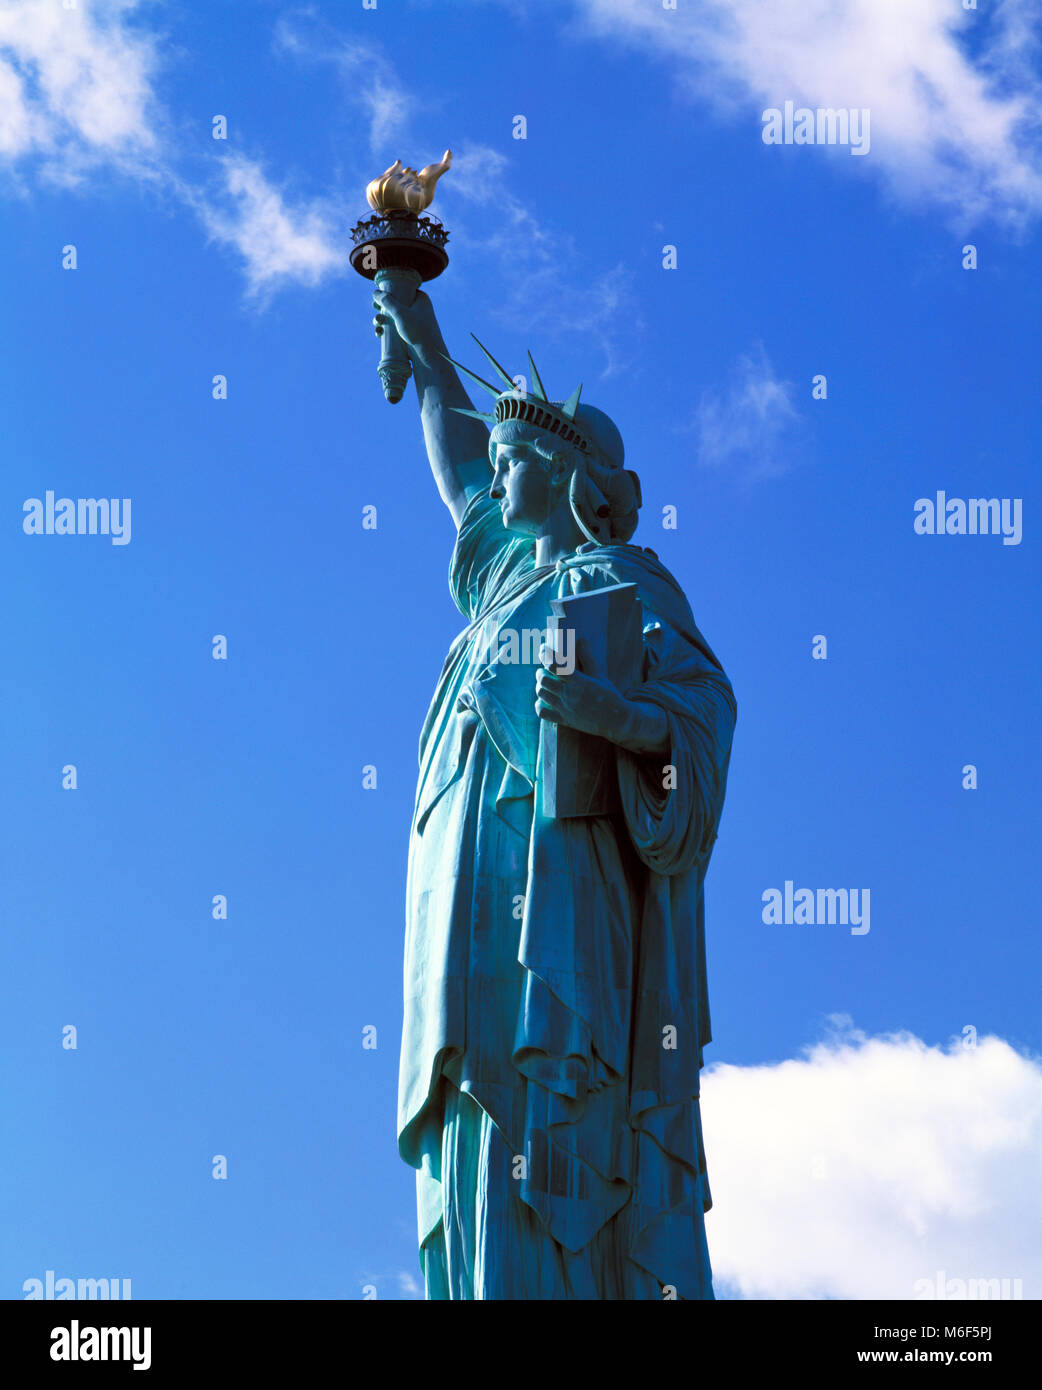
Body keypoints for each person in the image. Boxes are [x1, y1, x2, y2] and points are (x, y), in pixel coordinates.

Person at [373, 283, 737, 1300]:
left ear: (580, 482)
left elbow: (700, 712)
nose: (497, 466)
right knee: (473, 1121)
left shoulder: (620, 582)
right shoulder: (498, 584)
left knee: (549, 1111)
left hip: (565, 912)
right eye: (498, 456)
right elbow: (456, 464)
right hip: (464, 911)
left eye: (521, 455)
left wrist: (612, 716)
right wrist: (418, 324)